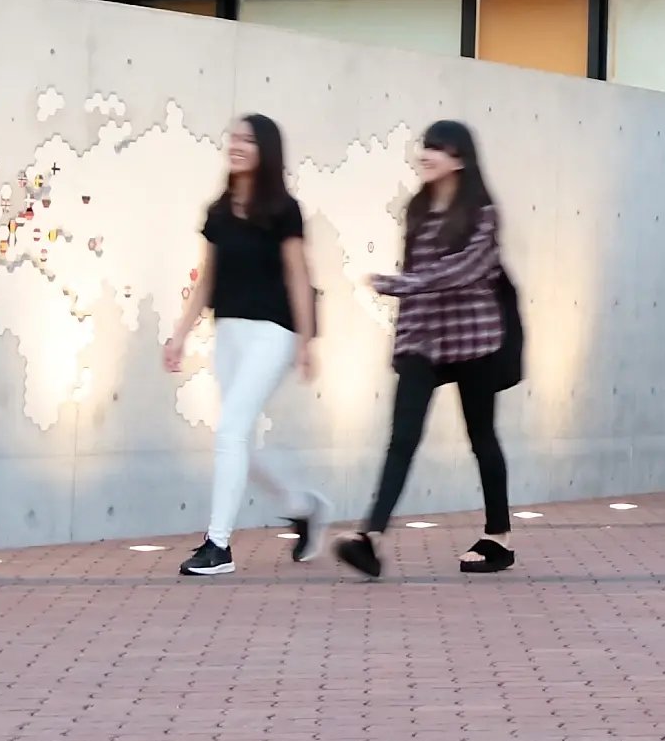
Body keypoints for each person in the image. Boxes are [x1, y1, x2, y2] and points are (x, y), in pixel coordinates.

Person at [339, 121, 517, 577]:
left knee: (482, 438)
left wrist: (400, 285)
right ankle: (371, 538)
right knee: (402, 439)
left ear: (459, 159)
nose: (426, 154)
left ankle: (499, 538)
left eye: (437, 149)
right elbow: (417, 275)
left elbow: (463, 271)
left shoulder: (482, 213)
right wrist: (403, 343)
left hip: (474, 341)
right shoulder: (417, 209)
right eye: (425, 146)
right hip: (424, 342)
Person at [157, 114, 326, 579]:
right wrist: (180, 334)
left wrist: (306, 340)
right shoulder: (218, 211)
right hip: (230, 330)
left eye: (247, 140)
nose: (236, 145)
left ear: (265, 150)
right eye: (233, 137)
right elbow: (206, 279)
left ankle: (218, 545)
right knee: (238, 440)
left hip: (275, 330)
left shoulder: (283, 210)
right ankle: (302, 507)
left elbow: (298, 275)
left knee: (230, 430)